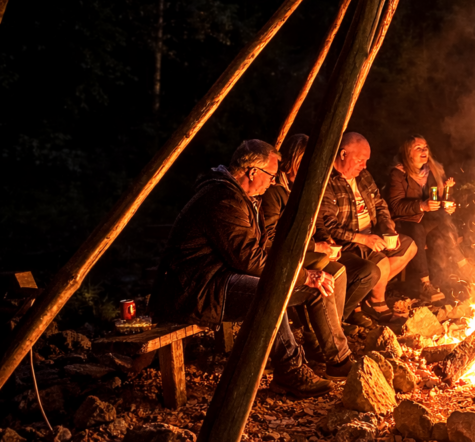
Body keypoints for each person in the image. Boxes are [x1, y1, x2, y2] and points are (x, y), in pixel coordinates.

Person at [150, 139, 351, 398]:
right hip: (196, 287)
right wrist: (301, 275)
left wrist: (302, 271)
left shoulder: (241, 197)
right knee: (269, 292)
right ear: (252, 172)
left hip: (218, 278)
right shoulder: (222, 198)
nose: (274, 181)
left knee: (314, 285)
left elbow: (264, 248)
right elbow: (249, 259)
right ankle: (291, 370)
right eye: (271, 175)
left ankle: (337, 359)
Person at [262, 134, 381, 329]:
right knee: (333, 272)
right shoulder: (275, 191)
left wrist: (328, 242)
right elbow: (272, 239)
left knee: (367, 271)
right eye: (304, 163)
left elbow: (318, 221)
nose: (310, 170)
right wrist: (318, 247)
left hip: (312, 249)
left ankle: (334, 326)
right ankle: (325, 332)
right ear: (293, 161)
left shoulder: (306, 188)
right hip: (293, 254)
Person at [318, 132, 417, 324]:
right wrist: (362, 239)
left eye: (366, 161)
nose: (364, 166)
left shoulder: (362, 176)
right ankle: (362, 308)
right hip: (346, 244)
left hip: (371, 236)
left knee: (409, 247)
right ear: (343, 154)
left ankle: (366, 300)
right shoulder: (328, 181)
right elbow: (329, 224)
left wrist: (388, 229)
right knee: (378, 266)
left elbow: (380, 204)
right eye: (360, 160)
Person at [385, 135, 475, 304]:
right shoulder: (398, 174)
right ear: (408, 153)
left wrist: (449, 206)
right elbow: (395, 206)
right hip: (404, 222)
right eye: (418, 148)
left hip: (425, 219)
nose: (424, 150)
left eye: (425, 147)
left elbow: (438, 200)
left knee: (441, 223)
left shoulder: (431, 171)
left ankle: (457, 268)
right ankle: (424, 284)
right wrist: (421, 206)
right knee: (419, 230)